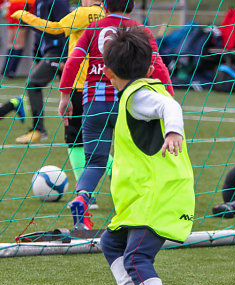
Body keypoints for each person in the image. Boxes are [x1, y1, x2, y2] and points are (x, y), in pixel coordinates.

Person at [100, 27, 194, 285]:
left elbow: (170, 107)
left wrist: (174, 132)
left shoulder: (138, 96)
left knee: (137, 257)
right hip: (143, 197)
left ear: (108, 71)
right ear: (151, 66)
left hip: (158, 195)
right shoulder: (137, 93)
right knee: (111, 243)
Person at [58, 0, 173, 229]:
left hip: (94, 104)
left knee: (95, 162)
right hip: (128, 105)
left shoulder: (92, 29)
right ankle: (139, 210)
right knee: (135, 160)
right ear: (131, 5)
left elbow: (73, 62)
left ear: (106, 6)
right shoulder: (141, 31)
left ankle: (82, 198)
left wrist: (65, 96)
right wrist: (168, 96)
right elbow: (158, 66)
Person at [11, 0, 109, 197]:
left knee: (75, 141)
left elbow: (55, 28)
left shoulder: (81, 13)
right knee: (94, 142)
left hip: (78, 82)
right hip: (98, 84)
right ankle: (106, 186)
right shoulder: (105, 15)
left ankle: (85, 193)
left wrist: (23, 15)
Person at [14, 0, 69, 144]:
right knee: (74, 91)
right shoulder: (39, 2)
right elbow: (39, 29)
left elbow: (67, 26)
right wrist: (37, 56)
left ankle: (39, 130)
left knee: (33, 84)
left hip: (58, 53)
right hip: (49, 53)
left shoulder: (58, 2)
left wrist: (65, 56)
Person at [1, 0, 35, 78]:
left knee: (12, 42)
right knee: (19, 42)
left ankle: (5, 70)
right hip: (23, 5)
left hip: (12, 6)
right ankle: (10, 71)